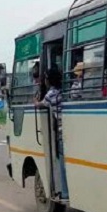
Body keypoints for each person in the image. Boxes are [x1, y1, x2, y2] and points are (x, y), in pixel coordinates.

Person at [34, 68, 68, 199]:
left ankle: (64, 192)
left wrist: (35, 99)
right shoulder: (66, 90)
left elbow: (39, 104)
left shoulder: (51, 94)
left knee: (62, 164)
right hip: (71, 129)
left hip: (61, 133)